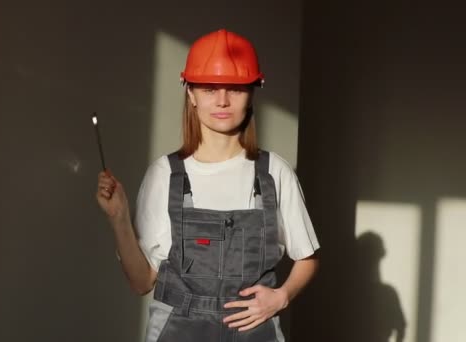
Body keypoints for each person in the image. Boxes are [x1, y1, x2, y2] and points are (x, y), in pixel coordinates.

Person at [96, 28, 320, 342]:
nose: (223, 100)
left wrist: (281, 297)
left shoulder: (274, 173)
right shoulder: (165, 174)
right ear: (190, 93)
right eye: (210, 88)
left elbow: (307, 258)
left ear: (253, 92)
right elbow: (141, 282)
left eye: (236, 89)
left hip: (254, 332)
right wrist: (119, 217)